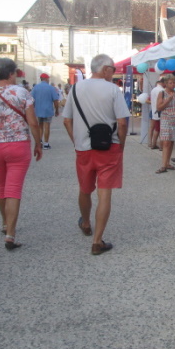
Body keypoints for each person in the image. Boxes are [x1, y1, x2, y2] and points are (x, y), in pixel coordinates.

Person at [62, 54, 130, 255]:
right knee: (104, 193)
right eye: (113, 69)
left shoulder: (75, 88)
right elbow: (123, 122)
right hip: (108, 147)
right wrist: (122, 145)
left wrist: (77, 141)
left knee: (84, 189)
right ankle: (97, 241)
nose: (114, 72)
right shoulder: (112, 90)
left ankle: (85, 222)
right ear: (106, 69)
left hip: (84, 148)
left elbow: (66, 120)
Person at [0, 58, 43, 250]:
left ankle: (5, 224)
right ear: (11, 73)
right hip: (18, 144)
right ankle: (11, 235)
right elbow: (33, 122)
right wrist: (38, 143)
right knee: (13, 188)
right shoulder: (22, 93)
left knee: (1, 186)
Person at [155, 73, 175, 174]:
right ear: (166, 84)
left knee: (171, 142)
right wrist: (168, 99)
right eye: (170, 83)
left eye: (174, 82)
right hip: (166, 119)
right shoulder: (162, 93)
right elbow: (159, 107)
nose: (173, 85)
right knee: (166, 142)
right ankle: (163, 165)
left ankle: (167, 162)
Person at [31, 73, 60, 149]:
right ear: (47, 79)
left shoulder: (36, 87)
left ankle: (40, 141)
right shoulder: (51, 88)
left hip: (38, 110)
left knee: (40, 126)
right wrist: (57, 110)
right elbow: (55, 100)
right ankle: (46, 144)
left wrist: (33, 109)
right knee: (47, 126)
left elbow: (31, 99)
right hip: (47, 110)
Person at [148, 78, 165, 149]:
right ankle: (160, 145)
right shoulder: (162, 90)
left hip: (154, 111)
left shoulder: (153, 90)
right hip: (160, 111)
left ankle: (152, 143)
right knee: (161, 129)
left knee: (156, 129)